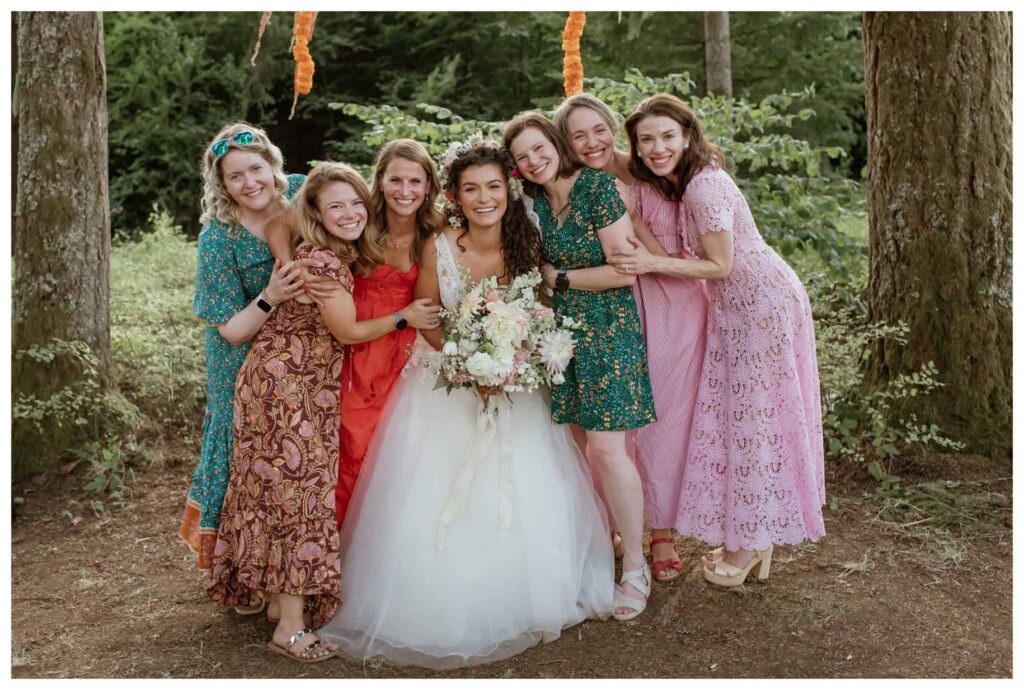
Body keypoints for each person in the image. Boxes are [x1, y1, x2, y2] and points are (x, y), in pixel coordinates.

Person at [317, 142, 614, 669]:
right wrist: (467, 366)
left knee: (526, 488)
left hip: (515, 382)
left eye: (493, 187)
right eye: (471, 189)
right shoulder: (440, 245)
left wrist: (511, 364)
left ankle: (520, 589)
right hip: (444, 380)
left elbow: (539, 309)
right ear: (454, 195)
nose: (483, 198)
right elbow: (429, 316)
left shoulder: (528, 240)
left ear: (509, 191)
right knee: (429, 490)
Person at [610, 93, 826, 586]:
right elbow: (610, 159)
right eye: (646, 140)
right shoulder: (678, 179)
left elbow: (720, 265)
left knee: (754, 419)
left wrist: (648, 263)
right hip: (738, 306)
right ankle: (750, 540)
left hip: (760, 303)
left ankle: (748, 545)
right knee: (745, 418)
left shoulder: (704, 188)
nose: (657, 147)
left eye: (668, 136)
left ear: (687, 135)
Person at [208, 162, 420, 662]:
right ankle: (291, 629)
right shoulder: (323, 264)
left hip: (288, 380)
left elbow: (282, 223)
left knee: (278, 494)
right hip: (289, 386)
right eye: (335, 207)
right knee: (298, 498)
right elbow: (348, 332)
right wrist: (403, 316)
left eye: (354, 204)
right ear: (319, 216)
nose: (348, 214)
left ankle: (281, 609)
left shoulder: (323, 255)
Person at [504, 114, 656, 620]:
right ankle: (594, 552)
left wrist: (562, 277)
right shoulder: (537, 204)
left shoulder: (596, 188)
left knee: (609, 450)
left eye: (539, 148)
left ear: (555, 143)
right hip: (560, 336)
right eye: (523, 156)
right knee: (576, 449)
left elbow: (624, 272)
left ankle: (636, 565)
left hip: (610, 331)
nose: (534, 160)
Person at [555, 94, 710, 583]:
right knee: (608, 427)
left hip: (668, 301)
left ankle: (660, 533)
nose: (591, 142)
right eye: (578, 135)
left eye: (599, 130)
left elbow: (672, 253)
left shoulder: (647, 170)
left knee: (660, 419)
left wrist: (636, 222)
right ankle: (612, 522)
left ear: (612, 130)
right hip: (609, 310)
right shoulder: (569, 186)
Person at [266, 139, 443, 528]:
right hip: (354, 349)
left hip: (404, 352)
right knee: (351, 451)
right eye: (395, 179)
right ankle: (336, 557)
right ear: (378, 182)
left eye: (416, 181)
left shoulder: (435, 229)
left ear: (429, 185)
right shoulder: (360, 218)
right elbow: (280, 222)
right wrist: (291, 269)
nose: (405, 190)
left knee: (398, 457)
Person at [179, 122, 307, 575]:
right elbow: (231, 329)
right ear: (222, 185)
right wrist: (271, 294)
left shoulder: (304, 192)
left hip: (300, 351)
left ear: (272, 165)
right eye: (235, 177)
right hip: (241, 358)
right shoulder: (218, 237)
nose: (250, 182)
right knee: (243, 458)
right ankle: (238, 569)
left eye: (255, 169)